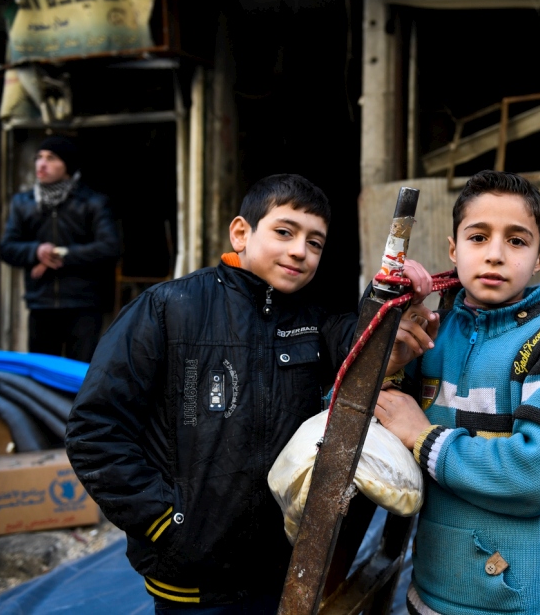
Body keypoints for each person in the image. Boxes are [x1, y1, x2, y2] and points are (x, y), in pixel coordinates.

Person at [65, 174, 436, 613]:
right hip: (191, 574)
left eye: (315, 243)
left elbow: (361, 348)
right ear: (241, 233)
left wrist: (391, 302)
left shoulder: (314, 319)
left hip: (282, 568)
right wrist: (168, 522)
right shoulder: (169, 309)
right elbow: (94, 430)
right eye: (284, 232)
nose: (300, 250)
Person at [374, 170, 540, 615]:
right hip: (433, 594)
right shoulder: (431, 333)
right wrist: (390, 360)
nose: (495, 254)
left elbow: (538, 476)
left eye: (517, 241)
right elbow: (344, 429)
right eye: (478, 238)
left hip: (534, 603)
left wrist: (424, 438)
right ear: (453, 249)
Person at [0, 136, 119, 362]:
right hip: (41, 303)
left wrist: (59, 255)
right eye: (39, 157)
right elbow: (7, 248)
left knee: (80, 376)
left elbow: (110, 247)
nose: (41, 164)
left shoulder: (92, 202)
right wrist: (36, 251)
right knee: (42, 376)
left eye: (51, 158)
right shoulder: (23, 203)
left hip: (83, 303)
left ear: (67, 166)